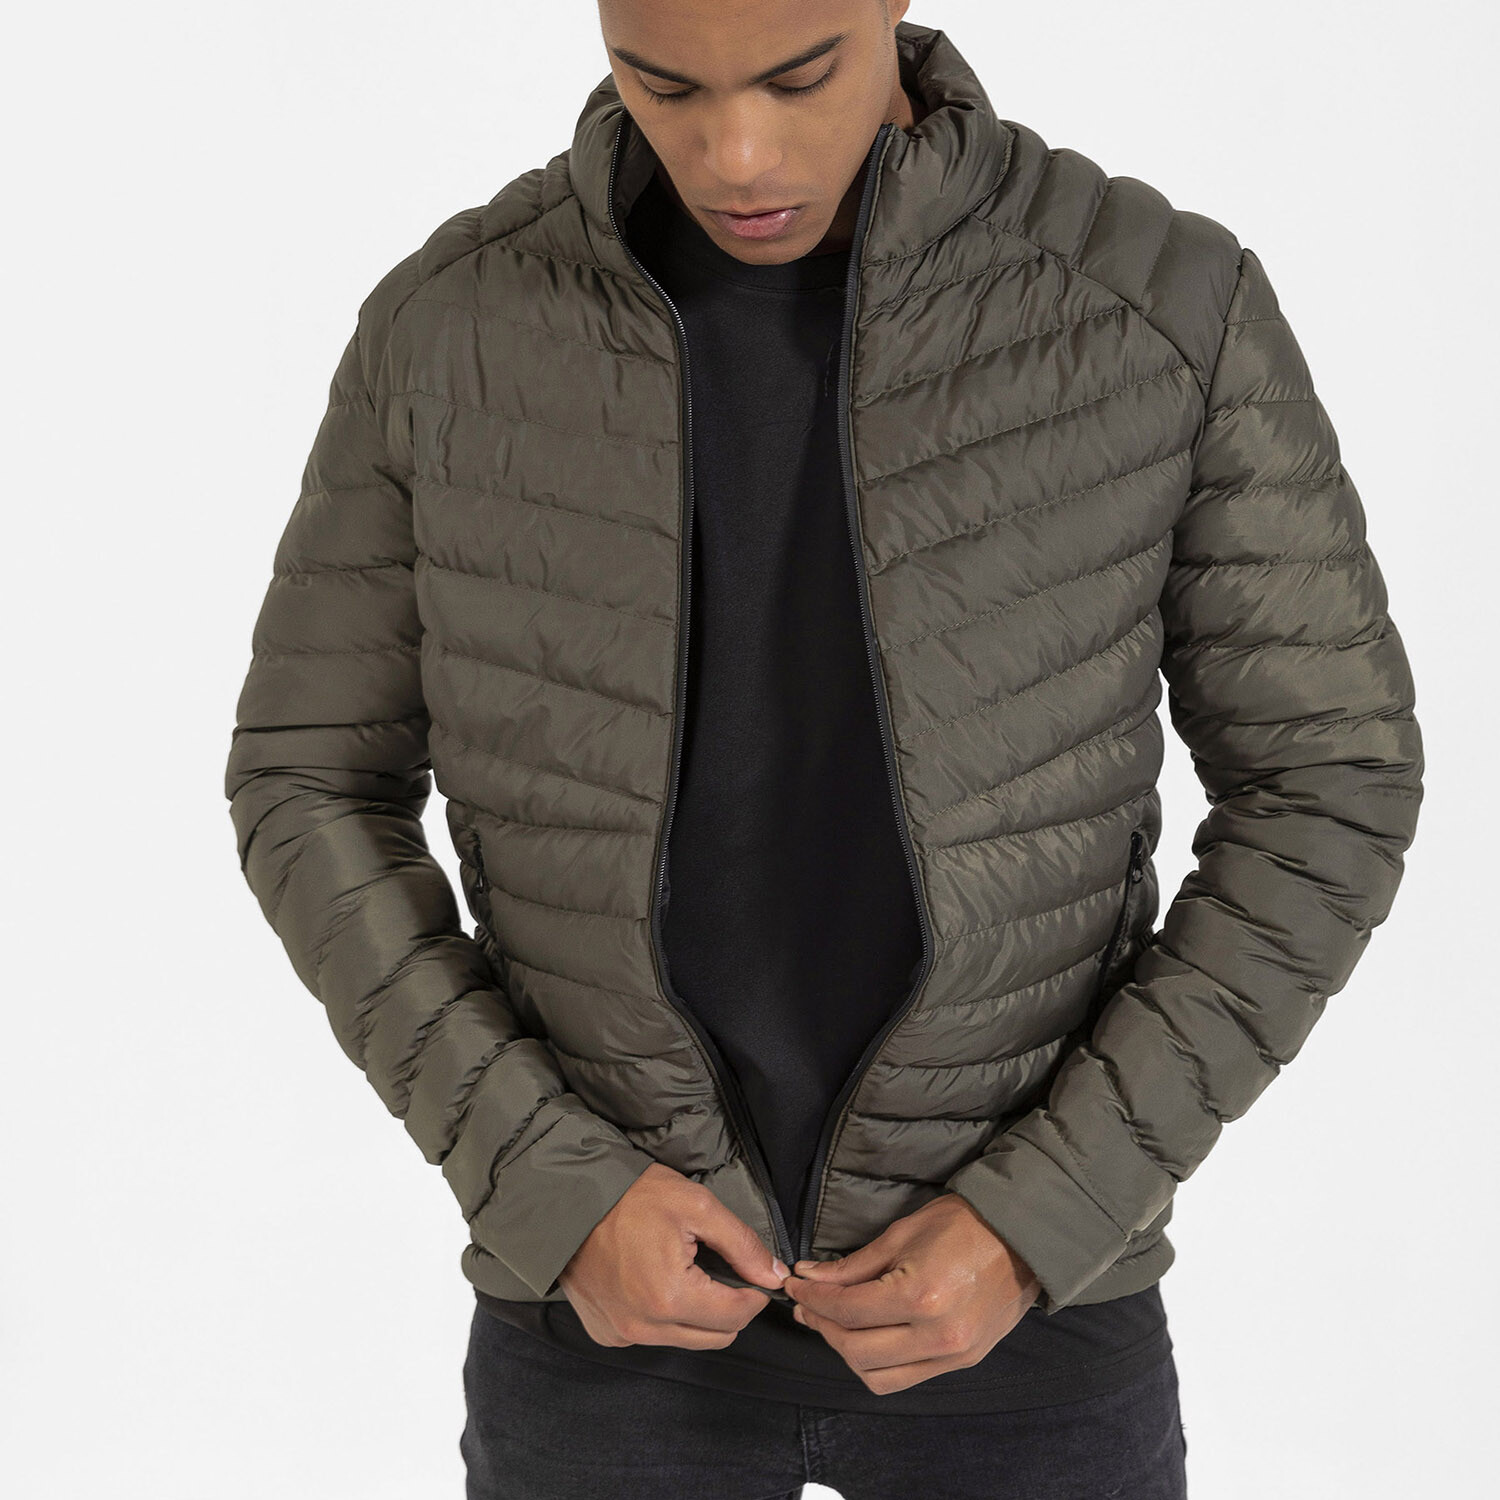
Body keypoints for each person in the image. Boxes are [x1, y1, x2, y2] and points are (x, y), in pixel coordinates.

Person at [224, 4, 1424, 1497]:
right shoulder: (452, 327)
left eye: (801, 77)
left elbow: (1329, 784)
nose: (737, 154)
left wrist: (1045, 1213)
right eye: (662, 84)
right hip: (606, 1326)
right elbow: (307, 779)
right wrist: (542, 1178)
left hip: (1026, 1323)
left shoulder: (1158, 302)